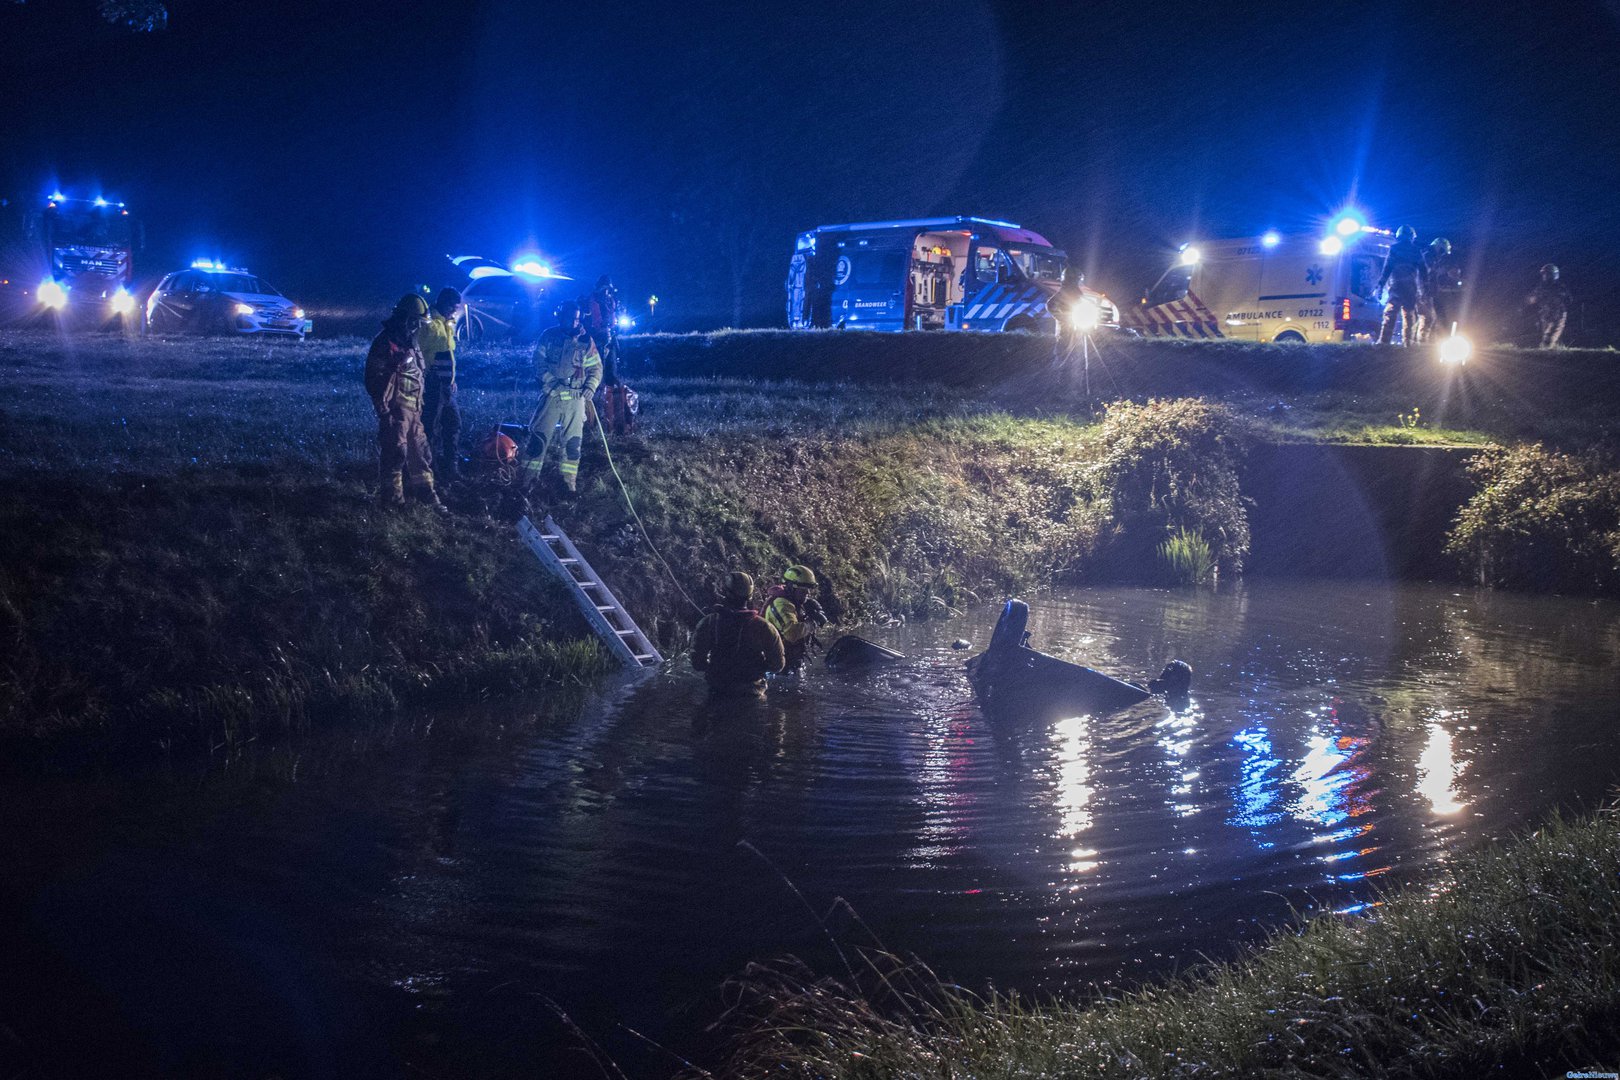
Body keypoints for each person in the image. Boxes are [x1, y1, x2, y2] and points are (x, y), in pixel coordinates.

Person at [364, 293, 445, 510]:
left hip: (414, 410)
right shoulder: (385, 343)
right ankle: (392, 502)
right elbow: (374, 377)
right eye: (416, 322)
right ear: (406, 320)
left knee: (421, 454)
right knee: (395, 454)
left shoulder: (411, 342)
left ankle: (427, 497)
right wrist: (384, 408)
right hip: (395, 409)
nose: (419, 327)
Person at [520, 300, 603, 496]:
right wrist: (551, 383)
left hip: (576, 400)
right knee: (538, 440)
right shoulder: (549, 336)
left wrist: (591, 386)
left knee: (573, 444)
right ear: (560, 317)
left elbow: (596, 368)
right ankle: (526, 483)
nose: (574, 323)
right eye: (570, 319)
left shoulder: (586, 341)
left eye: (576, 319)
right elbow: (538, 363)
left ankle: (568, 485)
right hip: (552, 397)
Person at [690, 572, 785, 695]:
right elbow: (777, 665)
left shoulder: (708, 622)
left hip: (717, 689)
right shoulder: (763, 627)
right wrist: (759, 668)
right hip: (752, 692)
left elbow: (698, 663)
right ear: (750, 596)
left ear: (725, 592)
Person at [418, 287, 463, 482]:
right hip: (432, 386)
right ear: (444, 304)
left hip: (446, 387)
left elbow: (448, 355)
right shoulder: (431, 325)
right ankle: (430, 469)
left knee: (453, 424)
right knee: (431, 428)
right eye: (453, 307)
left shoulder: (446, 324)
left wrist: (452, 381)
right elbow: (421, 351)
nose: (455, 311)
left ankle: (451, 469)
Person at [761, 564, 829, 671]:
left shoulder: (795, 603)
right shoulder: (781, 604)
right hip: (776, 667)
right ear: (791, 587)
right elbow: (791, 633)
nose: (807, 593)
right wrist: (811, 623)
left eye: (809, 588)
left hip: (790, 662)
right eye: (803, 589)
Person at [1376, 225, 1425, 346]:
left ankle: (1384, 341)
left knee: (1390, 314)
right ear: (1411, 236)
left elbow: (1387, 268)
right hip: (1410, 288)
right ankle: (1408, 343)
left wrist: (1381, 285)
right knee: (1408, 316)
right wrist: (1424, 288)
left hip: (1396, 287)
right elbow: (1423, 271)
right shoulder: (1416, 250)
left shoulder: (1394, 248)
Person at [1418, 238, 1463, 344]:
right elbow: (1423, 275)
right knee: (1427, 318)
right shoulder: (1426, 257)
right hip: (1425, 292)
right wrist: (1423, 292)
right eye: (1442, 250)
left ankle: (1434, 342)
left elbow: (1439, 275)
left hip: (1434, 292)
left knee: (1438, 317)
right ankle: (1422, 343)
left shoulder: (1438, 259)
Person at [1526, 263, 1572, 348]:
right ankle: (1552, 350)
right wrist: (1533, 300)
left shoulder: (1559, 287)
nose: (1545, 276)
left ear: (1553, 274)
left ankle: (1550, 349)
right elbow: (1531, 299)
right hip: (1545, 314)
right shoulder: (1541, 287)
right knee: (1546, 336)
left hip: (1558, 314)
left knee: (1550, 337)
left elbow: (1569, 300)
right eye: (1544, 274)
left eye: (1547, 274)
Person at [587, 275, 621, 386]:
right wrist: (602, 327)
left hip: (610, 333)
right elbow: (595, 315)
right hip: (598, 335)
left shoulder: (610, 299)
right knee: (598, 362)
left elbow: (613, 314)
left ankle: (610, 385)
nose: (606, 290)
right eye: (604, 288)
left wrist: (613, 326)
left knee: (611, 361)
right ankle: (597, 385)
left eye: (608, 288)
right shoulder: (595, 298)